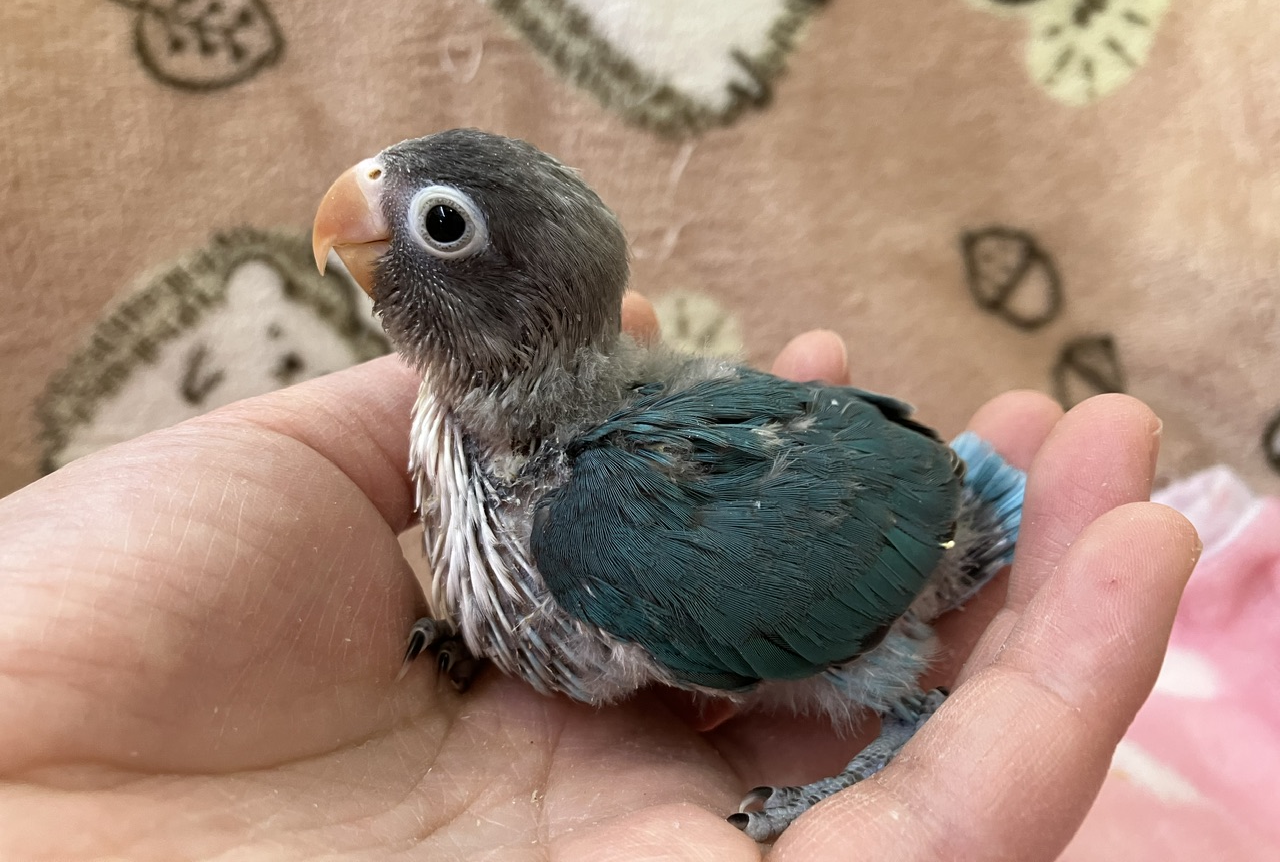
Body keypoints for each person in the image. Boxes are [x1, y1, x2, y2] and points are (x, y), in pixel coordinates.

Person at [0, 294, 1197, 860]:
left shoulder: (602, 531)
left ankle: (894, 722)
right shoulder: (467, 446)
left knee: (706, 590)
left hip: (912, 542)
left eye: (438, 228)